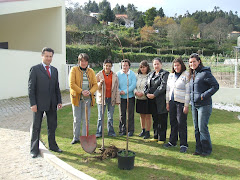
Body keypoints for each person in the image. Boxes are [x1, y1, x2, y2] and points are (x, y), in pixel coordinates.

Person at [28, 47, 62, 158]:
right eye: (46, 56)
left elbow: (57, 87)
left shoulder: (55, 70)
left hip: (52, 104)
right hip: (38, 104)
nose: (48, 58)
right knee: (36, 127)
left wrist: (59, 101)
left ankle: (53, 146)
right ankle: (34, 150)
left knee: (52, 126)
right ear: (42, 56)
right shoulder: (35, 69)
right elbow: (31, 88)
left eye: (50, 56)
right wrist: (32, 103)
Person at [189, 53, 219, 156]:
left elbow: (215, 86)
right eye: (190, 62)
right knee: (196, 128)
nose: (192, 64)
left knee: (202, 128)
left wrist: (203, 96)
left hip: (204, 105)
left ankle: (206, 150)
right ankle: (198, 149)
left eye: (194, 61)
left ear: (199, 61)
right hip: (194, 104)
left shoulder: (205, 73)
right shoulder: (193, 74)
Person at [69, 53, 98, 144]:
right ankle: (76, 137)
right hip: (77, 98)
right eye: (82, 61)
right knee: (77, 119)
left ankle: (84, 137)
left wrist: (90, 92)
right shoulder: (74, 70)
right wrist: (81, 91)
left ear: (87, 62)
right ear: (79, 61)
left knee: (86, 119)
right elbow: (72, 84)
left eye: (85, 61)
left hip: (87, 99)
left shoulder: (91, 71)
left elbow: (95, 84)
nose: (84, 63)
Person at [164, 58, 190, 153]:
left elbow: (188, 92)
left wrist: (186, 105)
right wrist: (167, 102)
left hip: (181, 102)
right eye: (175, 65)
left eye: (178, 65)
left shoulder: (186, 75)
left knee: (181, 123)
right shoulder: (171, 76)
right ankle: (172, 141)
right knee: (173, 122)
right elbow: (168, 89)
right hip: (172, 102)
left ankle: (183, 144)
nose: (176, 67)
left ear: (182, 65)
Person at [144, 57, 169, 144]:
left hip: (161, 101)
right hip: (152, 101)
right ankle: (155, 136)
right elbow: (146, 86)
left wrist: (154, 94)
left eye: (158, 64)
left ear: (161, 64)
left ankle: (162, 138)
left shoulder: (165, 74)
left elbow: (163, 86)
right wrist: (147, 93)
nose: (156, 66)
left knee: (162, 119)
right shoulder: (150, 74)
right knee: (155, 119)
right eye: (154, 64)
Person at [95, 59, 120, 137]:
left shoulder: (114, 75)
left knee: (110, 117)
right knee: (100, 117)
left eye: (109, 66)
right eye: (106, 65)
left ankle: (111, 132)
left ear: (111, 66)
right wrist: (100, 83)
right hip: (102, 98)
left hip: (111, 98)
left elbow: (116, 88)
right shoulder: (99, 75)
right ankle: (99, 132)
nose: (108, 67)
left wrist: (117, 99)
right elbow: (96, 87)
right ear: (103, 65)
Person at [117, 59, 137, 136]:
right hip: (121, 97)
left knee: (130, 114)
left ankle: (130, 130)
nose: (125, 67)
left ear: (129, 66)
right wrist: (120, 91)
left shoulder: (132, 74)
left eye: (126, 65)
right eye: (123, 65)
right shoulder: (118, 74)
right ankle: (122, 130)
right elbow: (116, 84)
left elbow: (133, 85)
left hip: (130, 97)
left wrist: (125, 91)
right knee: (122, 114)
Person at [134, 60, 152, 139]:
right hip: (139, 98)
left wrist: (143, 93)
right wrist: (135, 92)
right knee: (142, 115)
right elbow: (134, 85)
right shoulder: (137, 76)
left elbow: (150, 87)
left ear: (147, 67)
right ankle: (143, 130)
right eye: (141, 67)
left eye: (144, 67)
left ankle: (148, 131)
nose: (142, 69)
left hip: (146, 98)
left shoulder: (150, 75)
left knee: (148, 115)